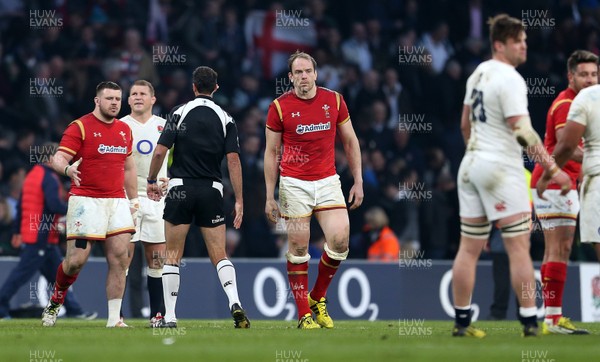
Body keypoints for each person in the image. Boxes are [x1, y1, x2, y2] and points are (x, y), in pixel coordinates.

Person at [452, 14, 571, 338]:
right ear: (499, 45)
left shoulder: (477, 73)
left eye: (525, 40)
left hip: (471, 164)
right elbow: (522, 129)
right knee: (519, 247)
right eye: (518, 41)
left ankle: (462, 323)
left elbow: (465, 125)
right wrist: (553, 170)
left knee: (468, 248)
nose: (524, 46)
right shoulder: (511, 78)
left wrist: (476, 154)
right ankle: (530, 322)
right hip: (500, 168)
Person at [264, 51, 364, 329]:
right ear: (291, 77)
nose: (304, 76)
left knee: (341, 241)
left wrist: (358, 181)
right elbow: (271, 153)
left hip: (328, 180)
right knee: (298, 246)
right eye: (298, 72)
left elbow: (351, 141)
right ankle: (303, 314)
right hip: (294, 183)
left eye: (308, 71)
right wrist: (269, 196)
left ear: (316, 74)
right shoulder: (279, 107)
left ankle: (317, 297)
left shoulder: (334, 100)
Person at [146, 66, 250, 329]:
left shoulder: (179, 112)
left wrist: (150, 180)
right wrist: (239, 199)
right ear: (216, 88)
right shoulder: (226, 118)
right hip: (212, 190)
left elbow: (159, 152)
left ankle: (169, 316)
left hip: (180, 188)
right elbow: (234, 161)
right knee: (219, 254)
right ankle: (234, 302)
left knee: (172, 255)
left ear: (193, 86)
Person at [42, 81, 138, 328]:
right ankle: (55, 302)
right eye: (109, 99)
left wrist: (134, 199)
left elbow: (128, 167)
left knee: (120, 258)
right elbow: (58, 157)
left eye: (118, 99)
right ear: (97, 101)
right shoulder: (80, 127)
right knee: (76, 261)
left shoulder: (124, 130)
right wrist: (67, 168)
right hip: (86, 200)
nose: (115, 103)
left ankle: (114, 319)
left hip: (116, 200)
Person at [530, 50, 598, 335]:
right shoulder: (567, 103)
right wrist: (594, 158)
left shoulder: (588, 100)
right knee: (560, 248)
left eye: (594, 74)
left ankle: (551, 318)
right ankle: (553, 319)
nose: (590, 79)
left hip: (560, 180)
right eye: (583, 74)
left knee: (557, 249)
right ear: (570, 76)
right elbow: (564, 145)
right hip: (557, 181)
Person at [0, 143, 96, 320]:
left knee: (58, 277)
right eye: (61, 157)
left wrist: (17, 231)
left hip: (38, 236)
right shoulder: (49, 177)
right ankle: (1, 307)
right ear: (52, 158)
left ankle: (75, 310)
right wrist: (75, 208)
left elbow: (22, 206)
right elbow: (53, 205)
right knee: (20, 275)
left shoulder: (33, 175)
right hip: (40, 237)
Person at [121, 80, 169, 327]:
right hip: (126, 199)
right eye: (133, 94)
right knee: (123, 259)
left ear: (153, 99)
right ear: (128, 100)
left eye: (143, 93)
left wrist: (169, 181)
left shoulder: (165, 126)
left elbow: (178, 161)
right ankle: (116, 316)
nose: (138, 97)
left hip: (156, 200)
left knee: (157, 259)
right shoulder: (119, 126)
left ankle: (157, 315)